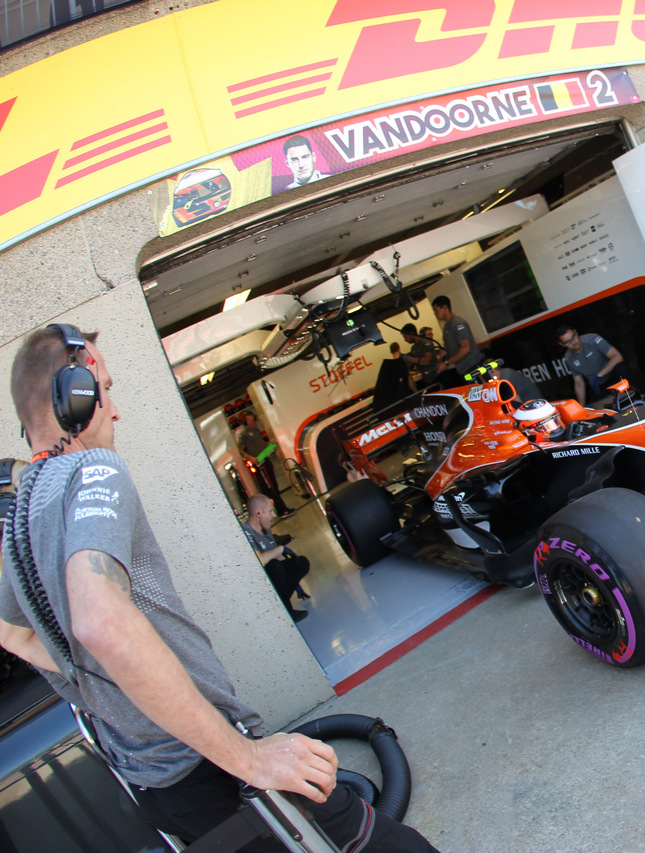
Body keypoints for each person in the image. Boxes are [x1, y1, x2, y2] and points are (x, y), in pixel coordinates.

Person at [0, 325, 436, 851]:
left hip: (160, 788)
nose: (114, 411)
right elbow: (100, 622)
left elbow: (17, 634)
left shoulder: (21, 516)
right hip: (212, 766)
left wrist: (96, 682)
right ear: (77, 394)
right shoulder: (92, 470)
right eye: (107, 389)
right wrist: (247, 757)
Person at [240, 494, 311, 623]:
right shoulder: (245, 532)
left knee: (301, 563)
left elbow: (277, 556)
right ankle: (288, 612)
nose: (273, 515)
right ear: (258, 513)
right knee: (274, 565)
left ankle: (280, 606)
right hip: (259, 584)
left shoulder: (266, 530)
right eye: (270, 511)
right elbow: (256, 562)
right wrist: (279, 549)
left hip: (274, 576)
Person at [556, 325, 629, 406]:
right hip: (599, 386)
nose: (573, 342)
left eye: (573, 337)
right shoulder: (568, 357)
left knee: (620, 367)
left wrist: (599, 375)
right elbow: (579, 383)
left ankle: (631, 394)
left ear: (576, 332)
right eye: (568, 342)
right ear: (562, 344)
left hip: (613, 377)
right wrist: (582, 407)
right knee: (594, 408)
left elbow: (617, 357)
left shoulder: (592, 339)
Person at [237, 411, 290, 517]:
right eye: (249, 420)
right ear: (245, 421)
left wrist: (270, 444)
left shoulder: (256, 430)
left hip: (265, 460)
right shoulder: (244, 434)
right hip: (258, 464)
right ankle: (281, 510)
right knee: (270, 488)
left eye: (253, 419)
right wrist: (250, 458)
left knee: (274, 485)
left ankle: (282, 508)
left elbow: (261, 443)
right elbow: (241, 450)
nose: (252, 422)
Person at [430, 295, 485, 386]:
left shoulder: (458, 323)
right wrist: (445, 353)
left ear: (445, 307)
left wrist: (447, 363)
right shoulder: (447, 327)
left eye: (436, 310)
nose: (435, 313)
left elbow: (465, 348)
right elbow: (454, 349)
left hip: (473, 368)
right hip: (463, 370)